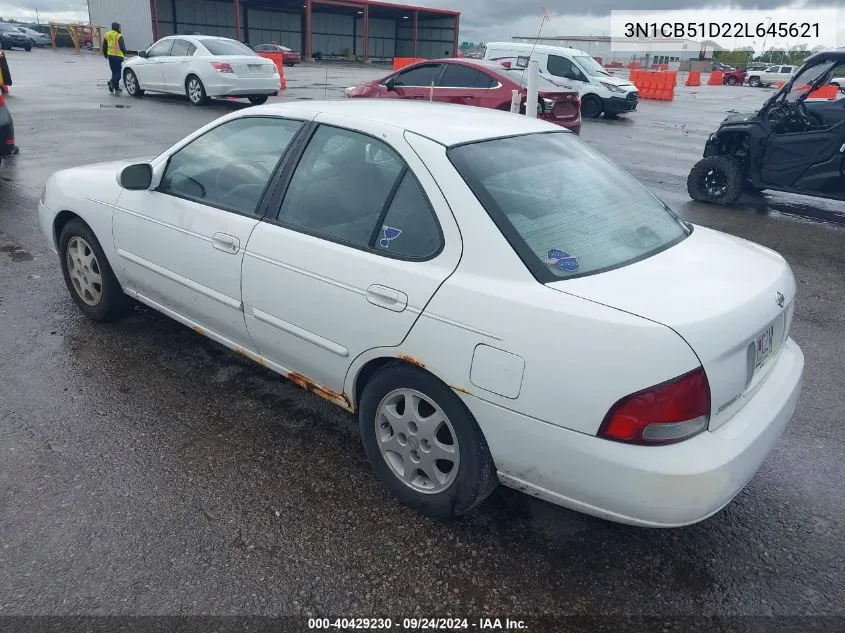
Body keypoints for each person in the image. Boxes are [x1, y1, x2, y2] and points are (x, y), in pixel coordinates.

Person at [103, 22, 126, 94]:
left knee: (114, 72)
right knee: (119, 73)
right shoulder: (118, 35)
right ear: (116, 27)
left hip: (110, 56)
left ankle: (116, 88)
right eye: (119, 27)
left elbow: (104, 45)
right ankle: (112, 82)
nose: (120, 28)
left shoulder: (107, 34)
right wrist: (124, 53)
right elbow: (122, 47)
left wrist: (105, 54)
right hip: (118, 56)